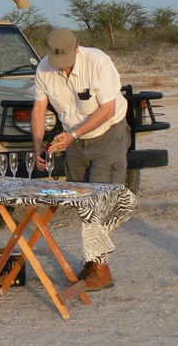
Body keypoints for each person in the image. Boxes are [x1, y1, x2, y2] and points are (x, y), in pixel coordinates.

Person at [31, 27, 131, 291]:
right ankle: (94, 261)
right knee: (82, 202)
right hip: (74, 139)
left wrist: (73, 134)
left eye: (66, 61)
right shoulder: (43, 69)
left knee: (100, 201)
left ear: (78, 47)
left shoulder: (98, 61)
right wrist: (38, 145)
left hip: (108, 134)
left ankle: (101, 269)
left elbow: (108, 109)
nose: (62, 68)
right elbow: (39, 108)